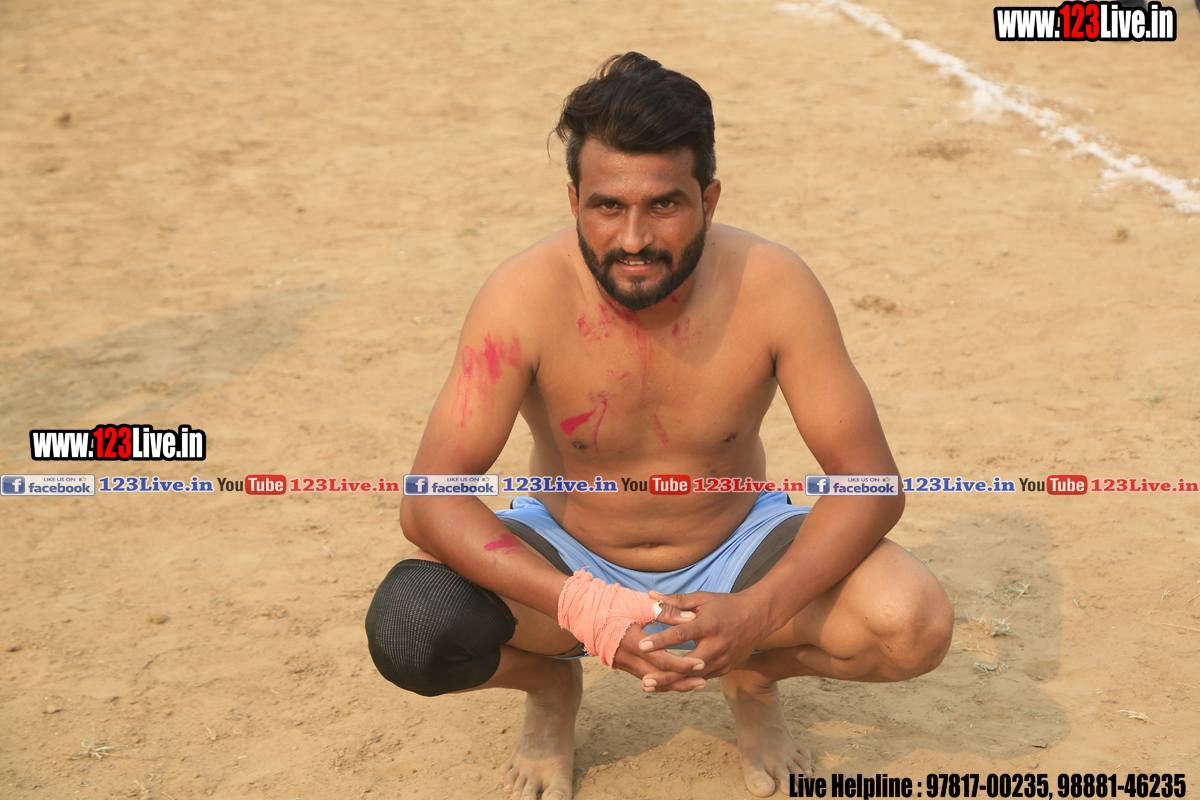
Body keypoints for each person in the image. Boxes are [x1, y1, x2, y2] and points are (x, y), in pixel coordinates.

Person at [366, 52, 954, 800]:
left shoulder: (773, 285)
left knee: (912, 623)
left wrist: (757, 612)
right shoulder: (522, 296)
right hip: (570, 555)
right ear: (574, 200)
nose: (634, 238)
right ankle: (548, 685)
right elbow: (429, 499)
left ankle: (752, 674)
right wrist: (584, 605)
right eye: (608, 207)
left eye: (665, 205)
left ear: (709, 198)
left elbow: (870, 483)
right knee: (413, 626)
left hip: (737, 550)